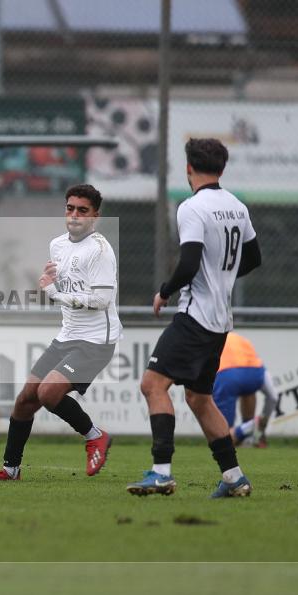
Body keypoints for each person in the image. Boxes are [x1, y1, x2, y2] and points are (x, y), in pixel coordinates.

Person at [127, 138, 261, 499]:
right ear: (222, 168)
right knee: (200, 399)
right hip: (219, 322)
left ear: (188, 169)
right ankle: (234, 478)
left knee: (153, 385)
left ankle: (161, 472)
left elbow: (188, 262)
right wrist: (222, 277)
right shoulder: (236, 206)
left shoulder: (192, 207)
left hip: (194, 315)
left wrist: (165, 291)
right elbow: (252, 258)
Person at [0, 184, 121, 482]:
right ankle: (11, 470)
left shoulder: (101, 251)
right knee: (26, 399)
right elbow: (67, 284)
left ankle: (96, 436)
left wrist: (56, 293)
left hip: (96, 340)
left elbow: (102, 300)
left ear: (95, 216)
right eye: (70, 208)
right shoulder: (58, 245)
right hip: (68, 336)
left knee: (48, 392)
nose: (75, 215)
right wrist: (53, 281)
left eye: (83, 210)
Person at [214, 332, 279, 447]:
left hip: (227, 375)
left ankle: (251, 426)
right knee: (248, 390)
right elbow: (273, 397)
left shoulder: (209, 338)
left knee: (223, 438)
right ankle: (252, 433)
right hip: (255, 372)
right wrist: (265, 417)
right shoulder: (239, 338)